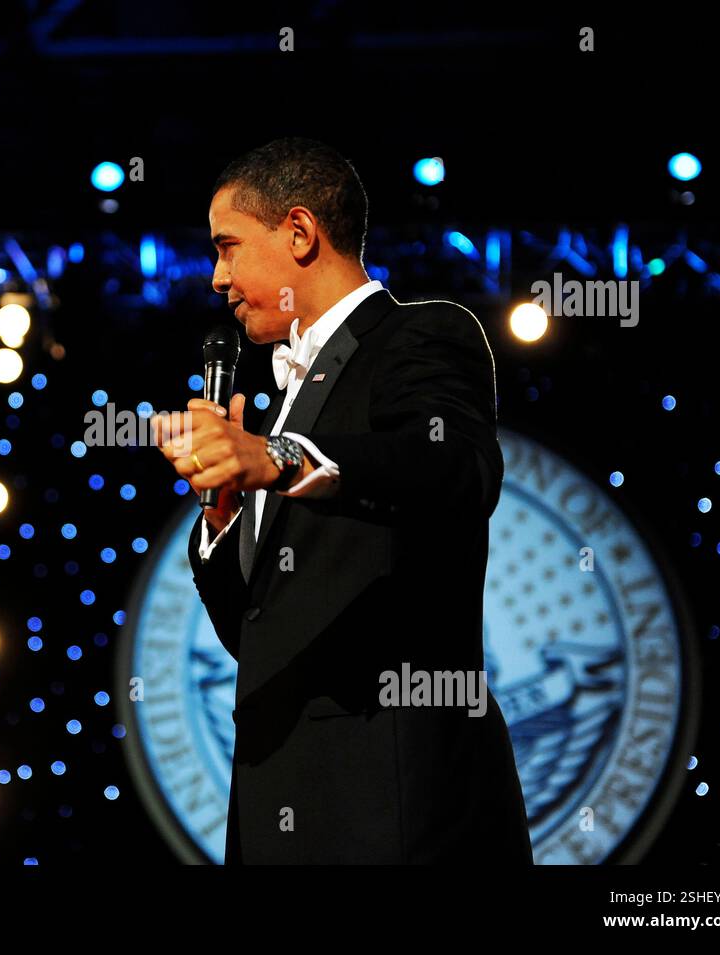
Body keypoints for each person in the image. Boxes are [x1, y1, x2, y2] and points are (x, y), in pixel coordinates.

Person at [152, 138, 532, 863]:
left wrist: (279, 455)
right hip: (281, 806)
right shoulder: (290, 397)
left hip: (392, 801)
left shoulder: (420, 334)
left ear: (299, 232)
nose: (216, 277)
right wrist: (224, 512)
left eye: (228, 247)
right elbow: (258, 636)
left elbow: (457, 470)